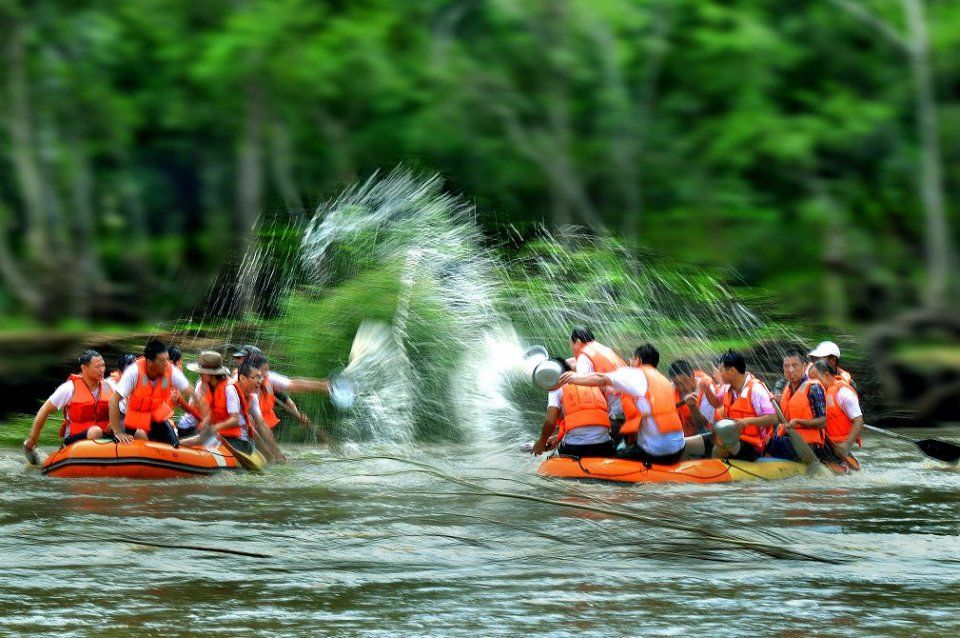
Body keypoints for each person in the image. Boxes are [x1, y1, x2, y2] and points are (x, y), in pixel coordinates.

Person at [560, 343, 685, 464]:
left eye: (632, 358)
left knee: (610, 458)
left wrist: (574, 378)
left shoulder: (634, 373)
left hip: (655, 453)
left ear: (638, 360)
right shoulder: (662, 380)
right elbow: (614, 388)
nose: (630, 362)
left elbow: (601, 377)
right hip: (678, 450)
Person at [23, 350, 113, 454]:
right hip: (75, 440)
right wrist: (33, 439)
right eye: (97, 367)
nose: (102, 370)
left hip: (103, 437)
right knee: (95, 431)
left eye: (103, 366)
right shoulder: (69, 388)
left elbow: (122, 408)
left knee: (129, 428)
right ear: (84, 368)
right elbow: (44, 410)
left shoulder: (108, 386)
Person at [108, 339, 193, 446]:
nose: (166, 365)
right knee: (127, 439)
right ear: (150, 363)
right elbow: (113, 401)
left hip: (153, 417)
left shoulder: (170, 373)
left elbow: (189, 392)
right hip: (130, 415)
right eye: (162, 361)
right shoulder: (133, 372)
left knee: (174, 445)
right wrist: (118, 432)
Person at [532, 359, 615, 457]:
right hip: (605, 444)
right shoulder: (591, 380)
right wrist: (558, 438)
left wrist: (541, 442)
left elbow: (550, 421)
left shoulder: (556, 387)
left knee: (556, 454)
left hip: (575, 447)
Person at [714, 350, 778, 461]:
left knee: (717, 448)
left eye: (721, 370)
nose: (719, 374)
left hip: (754, 445)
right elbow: (715, 402)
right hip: (733, 438)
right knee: (693, 442)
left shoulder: (756, 389)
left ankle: (714, 474)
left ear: (732, 371)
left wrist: (747, 421)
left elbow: (773, 418)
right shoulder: (726, 388)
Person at [764, 350, 828, 461]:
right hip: (788, 439)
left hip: (807, 446)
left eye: (795, 365)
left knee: (767, 443)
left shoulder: (813, 388)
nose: (790, 370)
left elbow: (822, 422)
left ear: (804, 366)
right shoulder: (786, 388)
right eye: (786, 366)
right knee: (762, 438)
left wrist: (798, 422)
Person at [568, 327, 628, 438]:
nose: (571, 347)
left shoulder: (583, 357)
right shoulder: (604, 349)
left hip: (615, 415)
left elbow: (582, 386)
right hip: (629, 407)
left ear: (578, 342)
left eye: (570, 343)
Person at [809, 359, 864, 456]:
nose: (812, 384)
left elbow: (859, 420)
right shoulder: (819, 394)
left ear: (826, 375)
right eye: (810, 380)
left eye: (814, 379)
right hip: (826, 444)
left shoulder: (844, 393)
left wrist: (847, 444)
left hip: (839, 447)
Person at [667, 359, 715, 436]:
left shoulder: (707, 388)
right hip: (683, 433)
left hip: (707, 434)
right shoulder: (671, 388)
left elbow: (703, 423)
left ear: (692, 375)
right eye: (677, 384)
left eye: (684, 382)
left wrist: (692, 406)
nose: (681, 387)